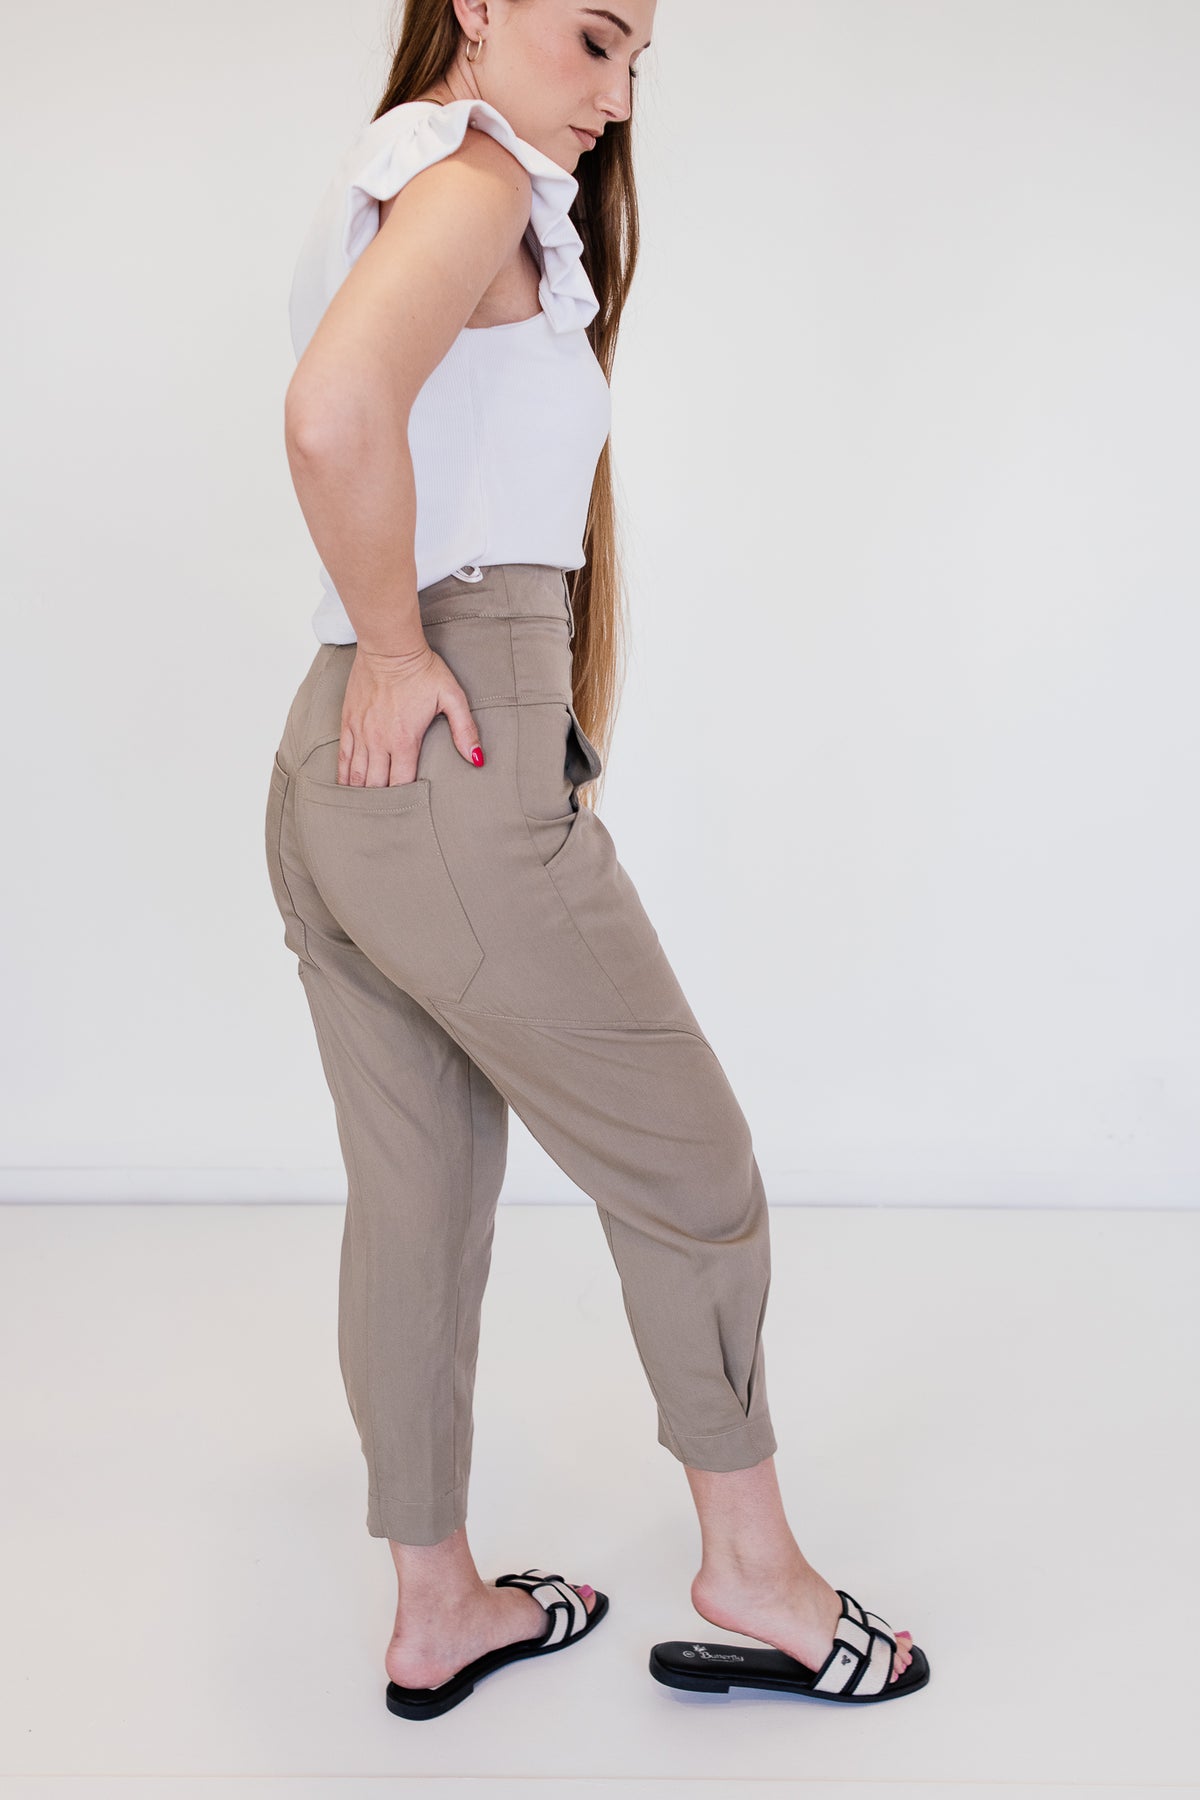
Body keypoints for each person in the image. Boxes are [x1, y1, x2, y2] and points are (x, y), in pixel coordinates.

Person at [265, 0, 927, 1721]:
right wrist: (404, 649)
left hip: (341, 767)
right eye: (593, 39)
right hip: (444, 747)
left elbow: (370, 419)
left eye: (639, 62)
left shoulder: (408, 175)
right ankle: (756, 1576)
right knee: (692, 1171)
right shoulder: (474, 180)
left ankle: (437, 1608)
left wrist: (378, 659)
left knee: (418, 1201)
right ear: (478, 6)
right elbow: (333, 413)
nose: (618, 95)